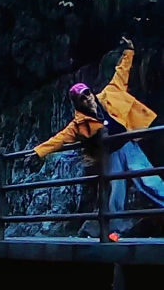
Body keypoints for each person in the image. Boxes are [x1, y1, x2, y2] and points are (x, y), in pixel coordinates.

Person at [31, 38, 164, 228]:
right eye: (81, 98)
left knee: (148, 180)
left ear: (91, 93)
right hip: (110, 154)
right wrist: (39, 151)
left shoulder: (108, 94)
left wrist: (128, 51)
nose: (87, 99)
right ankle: (114, 231)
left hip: (128, 145)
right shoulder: (78, 124)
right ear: (77, 103)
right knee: (115, 192)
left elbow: (121, 73)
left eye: (87, 94)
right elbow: (58, 139)